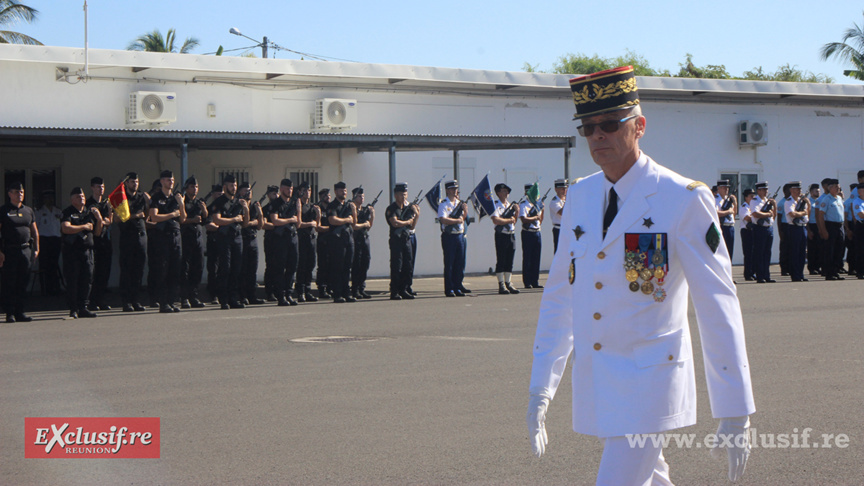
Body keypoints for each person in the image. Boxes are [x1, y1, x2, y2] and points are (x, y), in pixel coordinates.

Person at [527, 66, 755, 485]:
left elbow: (718, 303)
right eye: (588, 127)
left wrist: (735, 408)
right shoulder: (580, 195)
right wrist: (542, 386)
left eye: (611, 124)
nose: (598, 135)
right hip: (601, 378)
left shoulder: (681, 197)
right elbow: (562, 294)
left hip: (652, 382)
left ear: (640, 126)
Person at [60, 186, 102, 319]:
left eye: (83, 196)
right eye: (78, 197)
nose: (81, 198)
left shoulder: (89, 213)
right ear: (72, 199)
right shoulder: (68, 212)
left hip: (87, 251)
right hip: (73, 252)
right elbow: (65, 228)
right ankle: (73, 308)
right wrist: (83, 226)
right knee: (73, 280)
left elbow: (97, 233)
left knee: (87, 280)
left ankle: (83, 307)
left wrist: (99, 219)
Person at [0, 181, 39, 322]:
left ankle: (20, 312)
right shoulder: (3, 210)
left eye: (21, 192)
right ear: (10, 194)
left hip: (25, 250)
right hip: (9, 251)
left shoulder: (28, 211)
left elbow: (34, 231)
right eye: (16, 192)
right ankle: (9, 313)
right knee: (9, 283)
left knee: (23, 282)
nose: (20, 194)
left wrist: (36, 249)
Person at [149, 170, 186, 313]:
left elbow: (182, 218)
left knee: (175, 270)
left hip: (175, 235)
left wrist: (181, 204)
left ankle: (171, 301)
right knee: (162, 270)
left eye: (172, 180)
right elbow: (154, 217)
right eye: (167, 180)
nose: (170, 182)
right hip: (162, 236)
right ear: (162, 181)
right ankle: (163, 302)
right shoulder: (156, 197)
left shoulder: (176, 198)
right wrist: (171, 214)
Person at [211, 175, 249, 309]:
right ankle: (223, 299)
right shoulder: (219, 201)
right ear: (225, 186)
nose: (234, 188)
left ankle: (234, 298)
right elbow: (217, 220)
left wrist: (246, 209)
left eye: (235, 185)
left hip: (237, 237)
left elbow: (245, 223)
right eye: (231, 185)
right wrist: (233, 219)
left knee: (236, 268)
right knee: (225, 268)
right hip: (224, 237)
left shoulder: (239, 201)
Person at [116, 173, 149, 312]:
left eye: (136, 181)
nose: (135, 184)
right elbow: (118, 218)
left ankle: (135, 300)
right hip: (127, 237)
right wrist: (136, 216)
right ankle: (126, 301)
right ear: (126, 183)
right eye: (132, 182)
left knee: (138, 270)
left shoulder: (141, 197)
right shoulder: (121, 197)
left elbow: (147, 215)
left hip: (140, 236)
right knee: (127, 270)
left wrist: (149, 202)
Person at [269, 178, 301, 306]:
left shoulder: (293, 203)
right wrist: (290, 220)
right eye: (287, 188)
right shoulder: (276, 203)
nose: (290, 191)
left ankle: (289, 293)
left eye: (291, 189)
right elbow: (275, 221)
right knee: (280, 267)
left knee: (292, 267)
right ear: (281, 188)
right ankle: (280, 295)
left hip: (293, 237)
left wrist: (298, 210)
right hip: (280, 239)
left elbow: (298, 224)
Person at [385, 182, 417, 300]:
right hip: (396, 240)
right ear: (395, 195)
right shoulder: (392, 208)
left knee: (407, 265)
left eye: (405, 194)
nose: (403, 196)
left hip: (406, 239)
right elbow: (395, 223)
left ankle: (404, 289)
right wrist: (407, 222)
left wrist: (416, 214)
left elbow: (412, 226)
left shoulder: (408, 209)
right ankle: (394, 291)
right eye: (400, 194)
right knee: (396, 265)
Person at [179, 176, 207, 308]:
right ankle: (184, 297)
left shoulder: (199, 202)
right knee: (185, 268)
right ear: (186, 188)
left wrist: (204, 210)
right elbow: (180, 220)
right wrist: (192, 220)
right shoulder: (182, 201)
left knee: (198, 267)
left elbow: (204, 220)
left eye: (196, 187)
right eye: (192, 187)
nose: (195, 189)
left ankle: (194, 296)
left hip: (198, 237)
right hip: (186, 237)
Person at [86, 177, 113, 310]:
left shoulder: (105, 203)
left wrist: (103, 218)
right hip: (93, 241)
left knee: (104, 271)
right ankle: (91, 301)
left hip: (105, 240)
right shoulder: (89, 204)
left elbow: (109, 221)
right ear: (92, 187)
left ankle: (100, 299)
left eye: (102, 186)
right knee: (93, 273)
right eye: (98, 186)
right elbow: (94, 223)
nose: (101, 189)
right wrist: (102, 221)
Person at [327, 181, 357, 303]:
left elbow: (354, 223)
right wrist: (346, 220)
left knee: (347, 267)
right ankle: (337, 293)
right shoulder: (332, 205)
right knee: (337, 267)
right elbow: (332, 220)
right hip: (337, 240)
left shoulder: (349, 205)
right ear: (336, 191)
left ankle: (346, 293)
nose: (343, 192)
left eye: (345, 190)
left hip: (348, 238)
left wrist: (354, 211)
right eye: (341, 190)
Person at [437, 180, 468, 297]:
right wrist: (456, 221)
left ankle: (457, 286)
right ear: (447, 190)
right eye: (452, 189)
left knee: (459, 262)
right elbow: (443, 219)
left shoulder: (459, 203)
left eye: (456, 189)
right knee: (449, 263)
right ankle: (449, 288)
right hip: (449, 236)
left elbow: (463, 219)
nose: (455, 191)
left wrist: (465, 211)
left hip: (459, 234)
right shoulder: (444, 204)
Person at [490, 183, 520, 295]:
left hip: (511, 234)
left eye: (507, 191)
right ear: (498, 193)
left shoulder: (510, 205)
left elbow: (514, 221)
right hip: (501, 234)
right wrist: (509, 220)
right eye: (503, 191)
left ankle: (508, 282)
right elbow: (496, 220)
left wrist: (517, 212)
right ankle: (501, 284)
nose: (506, 193)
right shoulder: (496, 205)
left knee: (509, 260)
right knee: (501, 259)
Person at [239, 182, 264, 305]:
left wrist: (260, 213)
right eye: (245, 190)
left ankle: (252, 295)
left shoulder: (254, 206)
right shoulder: (238, 206)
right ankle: (242, 296)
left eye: (249, 190)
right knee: (243, 270)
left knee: (252, 270)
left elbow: (260, 225)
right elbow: (245, 223)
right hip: (242, 239)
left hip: (253, 239)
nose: (248, 193)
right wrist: (253, 221)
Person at [34, 190, 62, 295]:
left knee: (54, 264)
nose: (49, 199)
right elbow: (35, 227)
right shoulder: (39, 212)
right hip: (44, 240)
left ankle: (55, 287)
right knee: (44, 265)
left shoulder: (58, 211)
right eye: (47, 197)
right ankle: (45, 289)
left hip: (55, 239)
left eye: (51, 197)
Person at [817, 178, 845, 280]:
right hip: (831, 226)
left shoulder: (839, 198)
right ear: (830, 188)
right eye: (836, 187)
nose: (838, 189)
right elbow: (821, 215)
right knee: (830, 251)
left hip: (840, 226)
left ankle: (835, 271)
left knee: (839, 250)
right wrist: (823, 230)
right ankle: (829, 273)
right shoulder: (826, 199)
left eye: (838, 187)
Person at [295, 182, 319, 302]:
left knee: (311, 264)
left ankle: (308, 290)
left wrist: (318, 214)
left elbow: (317, 224)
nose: (307, 193)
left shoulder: (311, 206)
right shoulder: (298, 205)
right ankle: (300, 292)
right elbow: (298, 224)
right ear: (300, 192)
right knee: (302, 266)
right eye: (305, 190)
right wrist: (310, 223)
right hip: (302, 238)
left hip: (312, 238)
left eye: (309, 190)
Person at [750, 182, 777, 283]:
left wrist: (774, 206)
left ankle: (767, 275)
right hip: (759, 228)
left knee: (767, 252)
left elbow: (773, 215)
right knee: (759, 252)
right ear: (759, 190)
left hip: (768, 228)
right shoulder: (755, 201)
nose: (766, 191)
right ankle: (760, 276)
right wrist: (767, 214)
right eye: (764, 189)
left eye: (766, 189)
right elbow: (755, 213)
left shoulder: (767, 201)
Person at [351, 187, 374, 299]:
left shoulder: (365, 210)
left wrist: (372, 215)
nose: (362, 198)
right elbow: (354, 226)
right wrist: (364, 224)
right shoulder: (352, 209)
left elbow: (369, 226)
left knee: (366, 262)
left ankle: (361, 288)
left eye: (363, 196)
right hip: (356, 239)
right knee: (357, 264)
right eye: (359, 196)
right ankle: (355, 289)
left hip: (365, 238)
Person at [784, 181, 810, 282]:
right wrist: (803, 213)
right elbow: (792, 214)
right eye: (797, 189)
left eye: (800, 189)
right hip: (794, 227)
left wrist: (808, 203)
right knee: (794, 252)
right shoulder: (789, 201)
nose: (799, 191)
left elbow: (808, 213)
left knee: (802, 252)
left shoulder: (802, 201)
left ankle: (801, 273)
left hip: (803, 227)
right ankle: (795, 275)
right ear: (791, 190)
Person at [520, 184, 544, 289]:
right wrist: (534, 218)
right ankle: (527, 281)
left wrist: (538, 217)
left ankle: (535, 281)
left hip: (537, 232)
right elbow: (523, 219)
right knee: (528, 258)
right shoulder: (523, 205)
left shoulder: (538, 204)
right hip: (527, 232)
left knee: (536, 258)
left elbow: (541, 218)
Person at [260, 185, 280, 301]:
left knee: (280, 266)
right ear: (268, 195)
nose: (276, 195)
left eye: (277, 193)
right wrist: (277, 224)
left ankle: (278, 290)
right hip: (270, 239)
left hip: (281, 240)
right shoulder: (265, 209)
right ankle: (269, 292)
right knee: (271, 266)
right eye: (273, 193)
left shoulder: (281, 207)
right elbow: (264, 224)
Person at [315, 188, 333, 298]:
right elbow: (318, 227)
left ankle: (330, 287)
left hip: (332, 241)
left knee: (332, 265)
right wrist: (331, 228)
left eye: (329, 195)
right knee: (323, 265)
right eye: (326, 195)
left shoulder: (332, 208)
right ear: (321, 197)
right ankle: (322, 289)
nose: (328, 197)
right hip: (322, 240)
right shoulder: (318, 209)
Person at [715, 179, 737, 258]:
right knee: (722, 252)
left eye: (727, 187)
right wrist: (727, 212)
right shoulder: (716, 199)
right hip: (722, 226)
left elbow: (734, 214)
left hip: (730, 226)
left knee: (730, 251)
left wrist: (735, 203)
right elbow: (716, 213)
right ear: (719, 188)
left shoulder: (728, 199)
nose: (727, 189)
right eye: (724, 187)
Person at [739, 189, 756, 281]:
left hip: (753, 231)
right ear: (746, 197)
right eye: (751, 196)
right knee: (748, 253)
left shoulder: (753, 206)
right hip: (746, 231)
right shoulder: (744, 207)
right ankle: (747, 274)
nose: (753, 198)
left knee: (753, 253)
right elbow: (747, 218)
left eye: (754, 196)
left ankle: (753, 272)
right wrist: (757, 216)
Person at [806, 183, 822, 276]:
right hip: (812, 226)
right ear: (811, 192)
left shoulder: (820, 201)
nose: (818, 193)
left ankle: (818, 267)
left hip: (819, 225)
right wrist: (808, 230)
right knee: (812, 249)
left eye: (819, 191)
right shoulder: (808, 202)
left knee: (819, 248)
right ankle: (812, 268)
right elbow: (806, 217)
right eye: (816, 191)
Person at [844, 183, 859, 276]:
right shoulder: (848, 202)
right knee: (852, 248)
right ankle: (851, 268)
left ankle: (857, 267)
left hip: (857, 224)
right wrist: (848, 229)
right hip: (851, 224)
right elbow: (845, 217)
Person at [549, 179, 567, 253]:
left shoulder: (566, 200)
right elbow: (562, 212)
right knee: (559, 251)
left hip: (567, 228)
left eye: (565, 188)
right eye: (562, 189)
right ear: (556, 189)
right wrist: (568, 201)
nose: (564, 191)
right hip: (559, 229)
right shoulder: (554, 202)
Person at [853, 184, 864, 279]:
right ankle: (860, 271)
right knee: (860, 249)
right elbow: (861, 215)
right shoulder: (857, 201)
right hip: (861, 225)